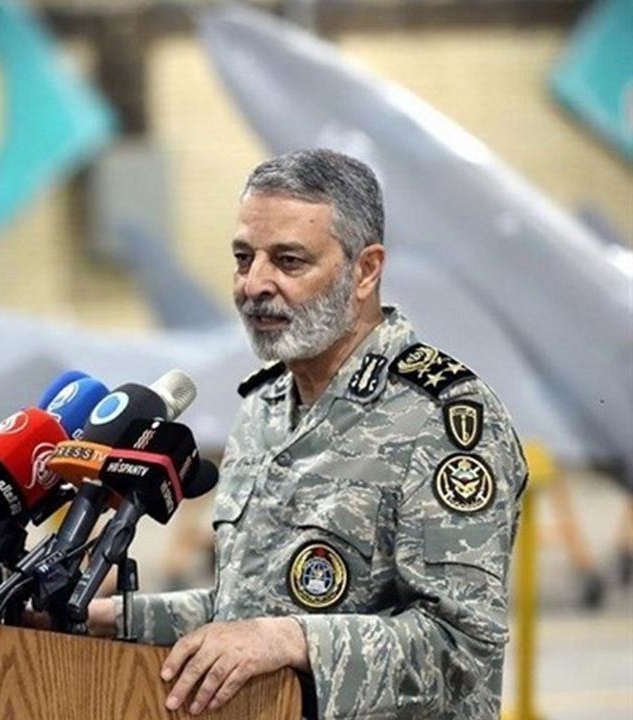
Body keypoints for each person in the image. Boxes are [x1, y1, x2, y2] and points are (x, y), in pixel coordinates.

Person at [86, 149, 527, 719]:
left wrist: (292, 640)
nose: (254, 284)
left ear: (365, 271)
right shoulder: (264, 407)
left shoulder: (441, 419)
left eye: (288, 261)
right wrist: (115, 620)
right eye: (243, 258)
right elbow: (247, 613)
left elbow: (461, 650)